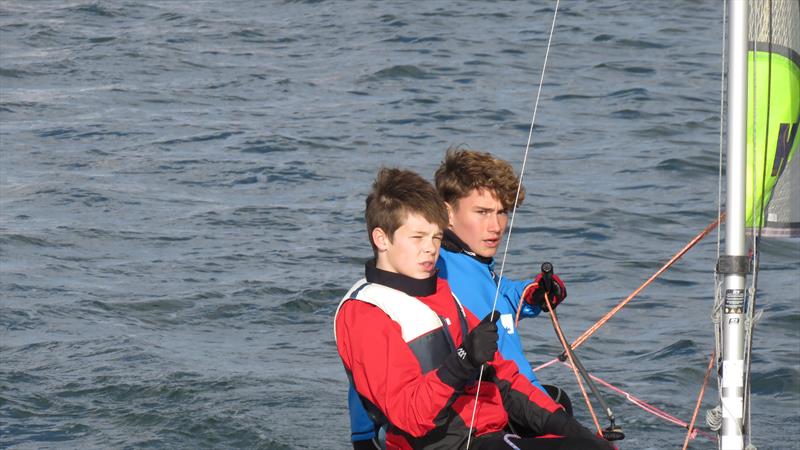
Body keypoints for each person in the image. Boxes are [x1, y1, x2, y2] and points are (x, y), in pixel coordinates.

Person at [335, 167, 612, 449]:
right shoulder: (367, 313)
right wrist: (464, 360)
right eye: (417, 237)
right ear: (381, 239)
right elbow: (409, 414)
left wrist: (572, 430)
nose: (430, 249)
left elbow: (506, 379)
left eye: (435, 237)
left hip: (488, 435)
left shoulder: (442, 293)